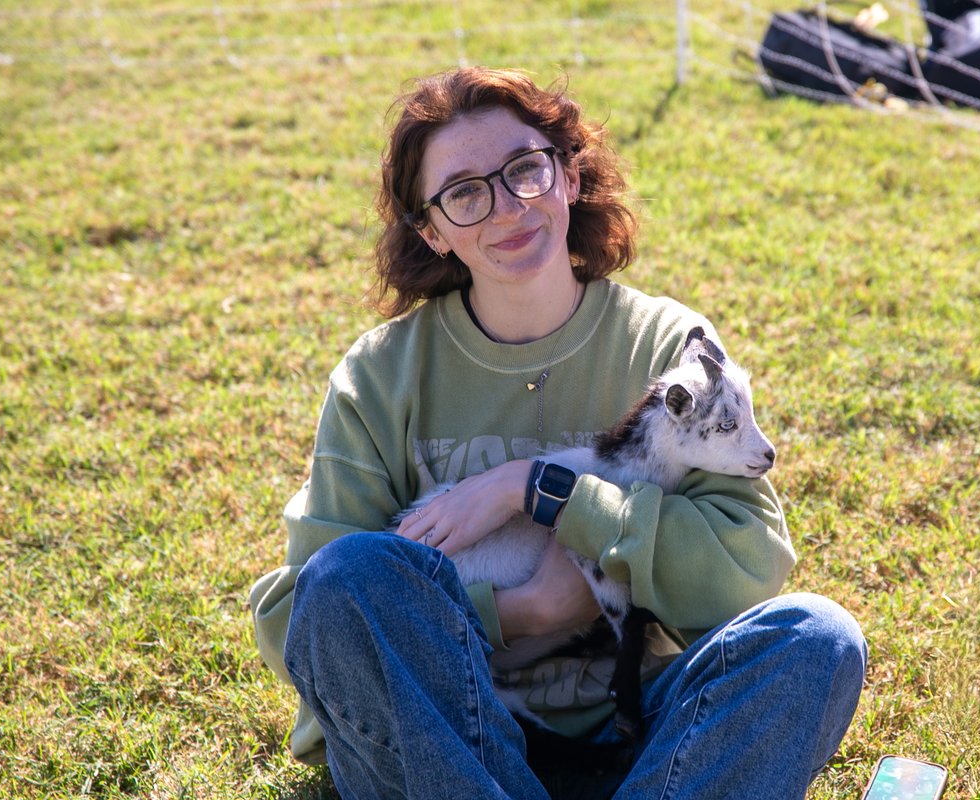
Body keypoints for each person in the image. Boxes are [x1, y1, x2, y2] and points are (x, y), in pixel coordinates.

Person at [250, 66, 867, 800]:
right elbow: (308, 616)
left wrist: (540, 492)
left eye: (525, 170)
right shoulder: (380, 376)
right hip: (443, 744)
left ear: (569, 177)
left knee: (815, 638)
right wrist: (521, 613)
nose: (507, 208)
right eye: (465, 194)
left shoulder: (667, 345)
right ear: (433, 230)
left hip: (645, 733)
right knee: (351, 574)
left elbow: (747, 566)